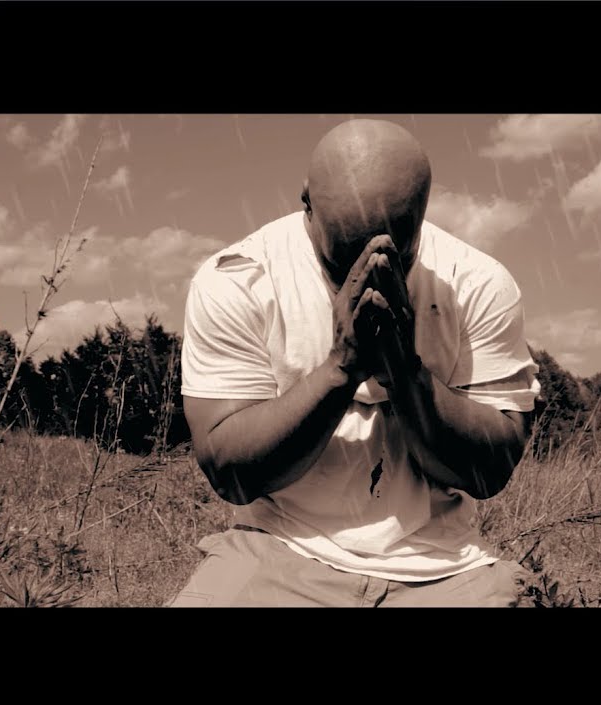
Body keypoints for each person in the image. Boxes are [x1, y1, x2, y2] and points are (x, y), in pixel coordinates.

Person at [169, 118, 541, 607]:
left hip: (444, 566)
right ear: (306, 201)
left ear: (421, 215)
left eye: (397, 251)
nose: (370, 269)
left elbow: (488, 473)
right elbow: (232, 476)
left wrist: (404, 372)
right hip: (278, 546)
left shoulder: (477, 283)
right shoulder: (238, 280)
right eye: (343, 257)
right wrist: (341, 368)